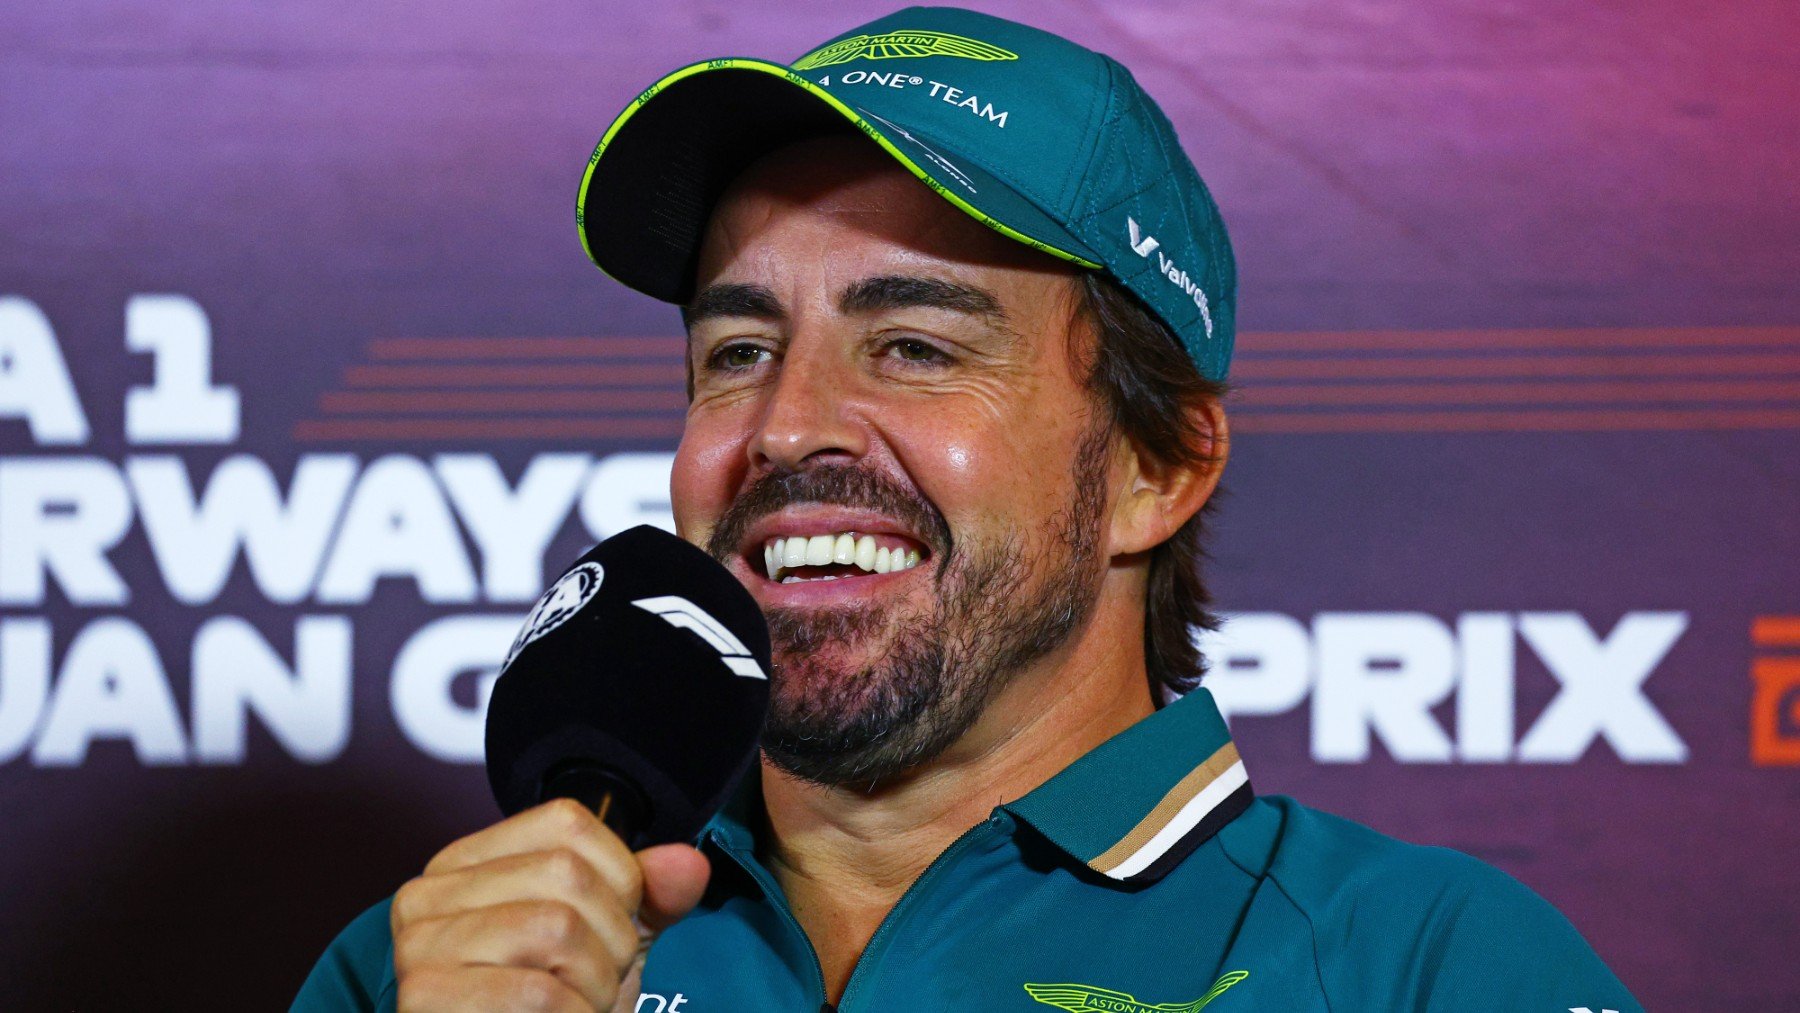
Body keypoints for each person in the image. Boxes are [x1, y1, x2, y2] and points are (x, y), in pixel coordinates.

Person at [295, 8, 1642, 1011]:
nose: (787, 425)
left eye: (916, 346)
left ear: (1154, 466)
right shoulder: (443, 962)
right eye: (738, 350)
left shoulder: (1426, 964)